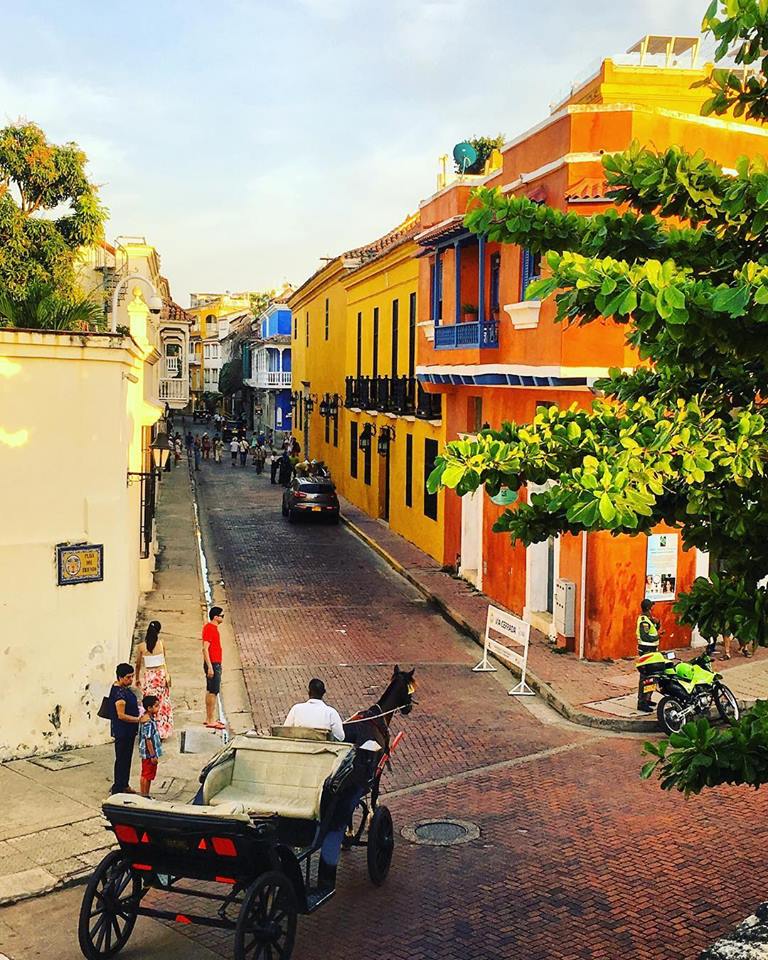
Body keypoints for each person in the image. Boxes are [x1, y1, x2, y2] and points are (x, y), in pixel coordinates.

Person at [135, 620, 174, 740]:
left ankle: (150, 729)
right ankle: (162, 730)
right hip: (160, 676)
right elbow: (164, 660)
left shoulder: (141, 647)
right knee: (162, 704)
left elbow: (138, 665)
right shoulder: (162, 644)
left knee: (149, 704)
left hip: (150, 677)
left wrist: (137, 678)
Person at [109, 663, 141, 794]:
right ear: (120, 678)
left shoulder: (123, 689)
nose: (131, 679)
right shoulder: (120, 694)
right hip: (123, 731)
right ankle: (118, 786)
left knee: (126, 758)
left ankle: (124, 784)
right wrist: (138, 719)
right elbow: (121, 715)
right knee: (122, 758)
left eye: (132, 676)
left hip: (128, 731)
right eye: (128, 677)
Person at [203, 606, 226, 730]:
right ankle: (211, 719)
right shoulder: (210, 629)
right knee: (213, 691)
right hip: (214, 663)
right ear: (215, 617)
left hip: (213, 663)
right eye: (222, 616)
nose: (222, 618)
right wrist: (210, 667)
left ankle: (209, 717)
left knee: (210, 690)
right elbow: (205, 648)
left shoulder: (211, 628)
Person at [636, 598, 661, 713]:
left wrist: (657, 622)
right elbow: (645, 636)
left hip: (652, 650)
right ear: (648, 608)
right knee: (646, 677)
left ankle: (648, 698)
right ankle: (642, 702)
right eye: (651, 606)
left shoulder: (648, 619)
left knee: (652, 676)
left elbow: (653, 630)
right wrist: (658, 636)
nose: (653, 608)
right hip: (646, 651)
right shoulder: (643, 620)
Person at [138, 695, 162, 797]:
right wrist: (153, 755)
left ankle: (145, 794)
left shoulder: (149, 718)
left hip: (148, 752)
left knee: (147, 774)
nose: (158, 708)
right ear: (149, 708)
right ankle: (144, 795)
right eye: (156, 706)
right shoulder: (148, 722)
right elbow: (148, 740)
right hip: (149, 753)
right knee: (146, 775)